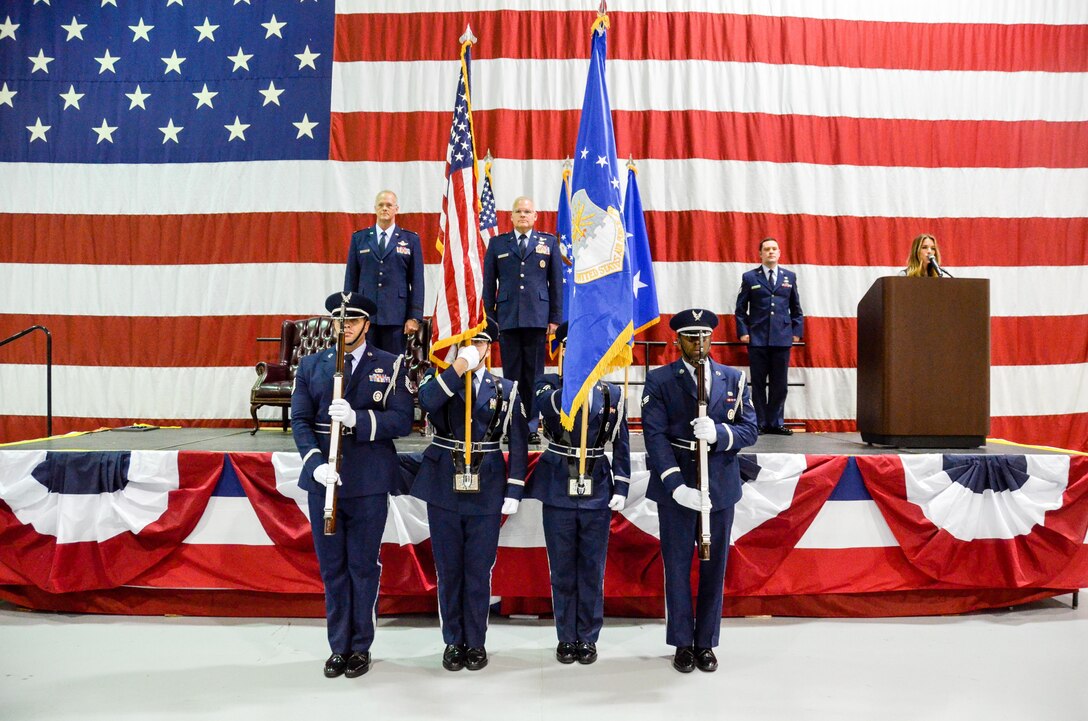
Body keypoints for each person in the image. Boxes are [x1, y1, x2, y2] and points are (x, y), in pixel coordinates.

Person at [291, 291, 414, 679]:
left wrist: (359, 419)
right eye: (339, 321)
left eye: (352, 320)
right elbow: (300, 421)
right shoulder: (312, 365)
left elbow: (401, 420)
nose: (344, 327)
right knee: (332, 569)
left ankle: (360, 647)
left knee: (362, 567)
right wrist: (314, 465)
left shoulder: (390, 365)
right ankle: (338, 646)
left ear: (367, 324)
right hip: (324, 481)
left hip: (368, 480)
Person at [641, 309, 759, 673]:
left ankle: (706, 642)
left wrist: (720, 435)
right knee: (676, 568)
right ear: (677, 341)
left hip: (720, 485)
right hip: (677, 487)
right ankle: (681, 642)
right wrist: (676, 486)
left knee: (714, 568)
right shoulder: (660, 379)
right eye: (692, 337)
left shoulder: (733, 379)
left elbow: (750, 429)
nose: (699, 344)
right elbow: (655, 436)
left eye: (705, 336)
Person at [413, 319, 529, 672]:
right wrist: (458, 366)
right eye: (466, 341)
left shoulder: (504, 388)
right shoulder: (442, 381)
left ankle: (475, 641)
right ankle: (453, 641)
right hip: (444, 482)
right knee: (449, 570)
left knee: (478, 570)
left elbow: (519, 442)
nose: (472, 347)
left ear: (489, 348)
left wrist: (515, 487)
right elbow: (427, 401)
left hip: (487, 483)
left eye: (478, 342)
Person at [531, 321, 630, 666]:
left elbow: (622, 443)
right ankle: (565, 636)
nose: (578, 355)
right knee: (561, 568)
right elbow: (547, 410)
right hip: (559, 483)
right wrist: (575, 384)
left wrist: (623, 483)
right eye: (571, 348)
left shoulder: (612, 394)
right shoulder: (548, 386)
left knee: (591, 567)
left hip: (597, 486)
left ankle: (587, 636)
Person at [481, 196, 563, 445]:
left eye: (527, 211)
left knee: (534, 376)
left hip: (538, 319)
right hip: (507, 319)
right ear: (511, 216)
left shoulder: (548, 243)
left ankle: (530, 425)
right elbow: (488, 285)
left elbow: (556, 284)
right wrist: (490, 318)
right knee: (511, 376)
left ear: (535, 216)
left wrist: (555, 319)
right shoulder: (497, 244)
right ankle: (512, 424)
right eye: (518, 211)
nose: (523, 215)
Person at [734, 237, 804, 435]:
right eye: (767, 249)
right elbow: (740, 310)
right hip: (757, 338)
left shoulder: (789, 277)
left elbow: (796, 308)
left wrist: (796, 331)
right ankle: (760, 423)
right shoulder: (750, 277)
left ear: (779, 252)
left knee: (779, 384)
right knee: (757, 383)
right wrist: (743, 332)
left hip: (782, 338)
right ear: (760, 254)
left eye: (774, 249)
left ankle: (775, 422)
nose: (771, 252)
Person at [343, 190, 425, 355]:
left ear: (397, 209)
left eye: (389, 205)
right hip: (365, 315)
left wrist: (414, 317)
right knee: (364, 362)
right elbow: (351, 279)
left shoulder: (410, 240)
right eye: (381, 205)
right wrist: (350, 314)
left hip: (396, 316)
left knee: (393, 364)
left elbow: (417, 282)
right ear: (375, 208)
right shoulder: (360, 238)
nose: (385, 208)